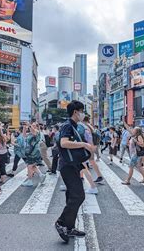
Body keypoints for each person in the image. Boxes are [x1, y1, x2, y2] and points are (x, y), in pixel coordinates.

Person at [55, 101, 95, 243]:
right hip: (67, 166)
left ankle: (69, 227)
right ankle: (61, 222)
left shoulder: (75, 126)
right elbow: (64, 143)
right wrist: (84, 144)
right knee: (78, 196)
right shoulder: (67, 125)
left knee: (72, 196)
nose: (82, 113)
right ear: (75, 112)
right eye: (81, 111)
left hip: (73, 165)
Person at [21, 122, 46, 187]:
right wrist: (24, 127)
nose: (32, 126)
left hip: (34, 152)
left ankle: (30, 181)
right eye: (32, 125)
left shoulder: (37, 132)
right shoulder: (31, 133)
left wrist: (29, 125)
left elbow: (33, 131)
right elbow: (24, 135)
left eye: (34, 125)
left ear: (37, 127)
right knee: (33, 166)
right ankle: (41, 175)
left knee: (29, 166)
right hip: (30, 152)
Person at [82, 116, 104, 183]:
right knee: (92, 161)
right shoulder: (90, 126)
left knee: (82, 162)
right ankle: (99, 176)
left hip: (89, 146)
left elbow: (87, 137)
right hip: (92, 145)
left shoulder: (85, 126)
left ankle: (82, 177)